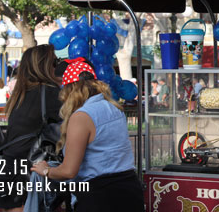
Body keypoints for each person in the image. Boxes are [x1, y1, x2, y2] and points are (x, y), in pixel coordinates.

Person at [31, 57, 145, 212]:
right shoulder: (114, 109)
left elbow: (69, 171)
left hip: (99, 197)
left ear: (70, 91)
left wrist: (46, 170)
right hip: (129, 190)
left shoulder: (81, 117)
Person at [0, 44, 62, 212]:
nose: (57, 67)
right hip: (28, 173)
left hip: (8, 169)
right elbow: (71, 124)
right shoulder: (49, 92)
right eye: (55, 62)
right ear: (45, 65)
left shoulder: (21, 92)